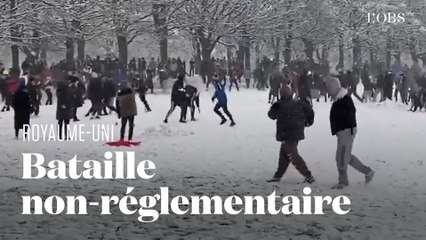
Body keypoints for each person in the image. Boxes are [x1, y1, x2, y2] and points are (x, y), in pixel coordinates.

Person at [326, 77, 375, 189]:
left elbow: (350, 114)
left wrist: (345, 129)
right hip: (343, 131)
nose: (328, 91)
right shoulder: (339, 98)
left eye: (329, 88)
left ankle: (343, 181)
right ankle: (368, 172)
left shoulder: (344, 99)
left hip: (347, 131)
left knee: (341, 157)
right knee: (345, 156)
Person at [267, 85, 315, 183]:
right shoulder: (299, 103)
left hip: (287, 133)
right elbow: (310, 112)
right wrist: (308, 122)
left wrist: (274, 106)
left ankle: (308, 175)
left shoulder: (278, 105)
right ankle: (278, 176)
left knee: (293, 155)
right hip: (296, 132)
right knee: (285, 154)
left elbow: (271, 115)